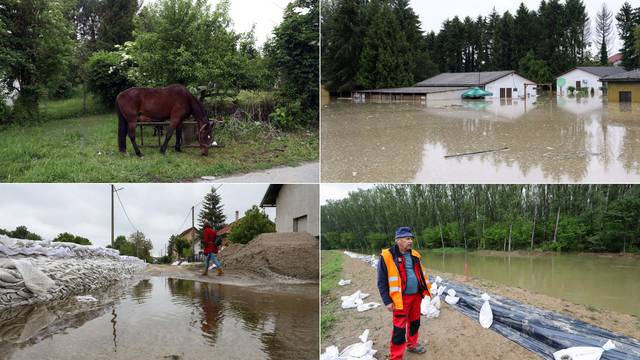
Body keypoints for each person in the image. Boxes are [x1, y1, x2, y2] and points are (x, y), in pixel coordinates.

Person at [377, 226, 431, 359]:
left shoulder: (415, 255)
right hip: (400, 299)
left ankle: (412, 344)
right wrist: (387, 301)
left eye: (411, 238)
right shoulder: (387, 256)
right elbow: (381, 281)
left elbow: (420, 274)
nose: (410, 241)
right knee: (399, 329)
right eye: (407, 238)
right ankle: (396, 356)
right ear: (398, 240)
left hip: (416, 297)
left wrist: (423, 291)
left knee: (415, 322)